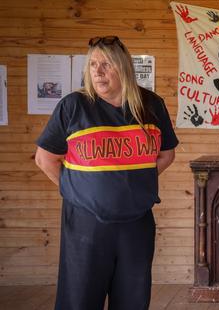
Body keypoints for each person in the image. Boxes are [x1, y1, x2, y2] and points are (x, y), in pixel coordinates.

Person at [34, 36, 178, 310]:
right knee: (79, 300)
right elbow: (45, 159)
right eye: (92, 65)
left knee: (133, 299)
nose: (97, 72)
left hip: (136, 223)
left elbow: (166, 155)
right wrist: (77, 189)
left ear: (123, 67)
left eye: (106, 64)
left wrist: (132, 184)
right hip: (85, 224)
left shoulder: (151, 105)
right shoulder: (74, 106)